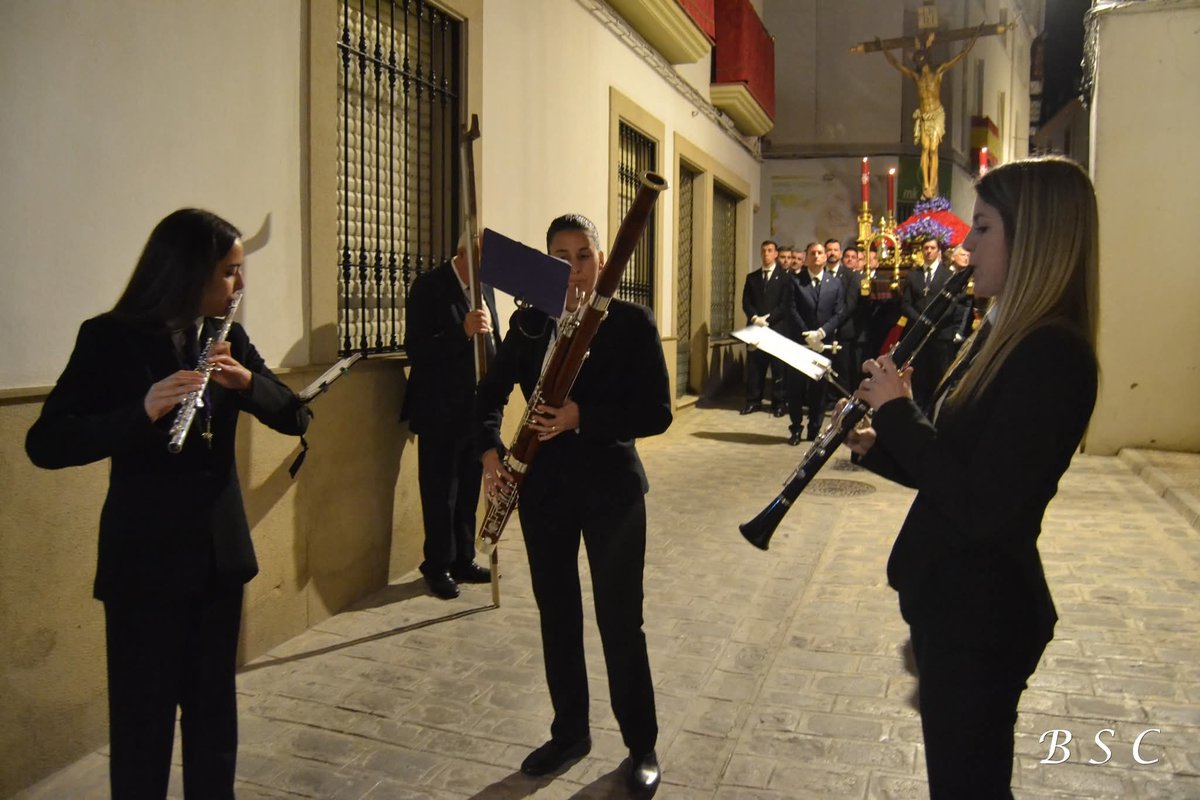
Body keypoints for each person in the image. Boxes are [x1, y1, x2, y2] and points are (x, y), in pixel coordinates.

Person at [25, 209, 312, 798]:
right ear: (189, 274)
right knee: (142, 728)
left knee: (213, 722)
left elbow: (295, 413)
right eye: (231, 273)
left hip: (215, 557)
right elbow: (46, 442)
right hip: (144, 566)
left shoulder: (222, 335)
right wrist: (142, 410)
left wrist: (246, 383)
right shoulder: (108, 338)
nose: (240, 286)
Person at [844, 156, 1099, 798]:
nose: (966, 243)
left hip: (982, 615)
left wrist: (900, 412)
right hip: (954, 606)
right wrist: (882, 442)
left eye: (982, 227)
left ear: (1032, 237)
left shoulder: (1054, 356)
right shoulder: (1005, 337)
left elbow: (984, 506)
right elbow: (958, 466)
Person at [476, 213, 671, 796]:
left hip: (612, 490)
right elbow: (487, 397)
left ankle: (641, 745)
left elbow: (656, 412)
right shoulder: (531, 323)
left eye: (582, 255)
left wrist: (583, 417)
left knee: (619, 620)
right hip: (546, 494)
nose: (572, 268)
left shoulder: (631, 322)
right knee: (556, 614)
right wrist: (489, 452)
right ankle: (570, 733)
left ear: (602, 258)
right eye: (559, 256)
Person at [401, 234, 501, 599]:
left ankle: (462, 558)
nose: (485, 270)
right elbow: (418, 349)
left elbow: (494, 340)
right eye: (481, 261)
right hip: (439, 410)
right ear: (461, 255)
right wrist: (462, 331)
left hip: (474, 409)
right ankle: (438, 565)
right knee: (441, 491)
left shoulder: (485, 289)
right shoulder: (430, 287)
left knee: (469, 490)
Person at [879, 26, 983, 198]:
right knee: (925, 150)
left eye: (920, 59)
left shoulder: (938, 72)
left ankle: (933, 185)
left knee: (933, 150)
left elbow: (960, 56)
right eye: (916, 60)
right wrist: (884, 49)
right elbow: (896, 65)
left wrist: (973, 38)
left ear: (925, 59)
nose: (918, 62)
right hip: (924, 116)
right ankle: (926, 185)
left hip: (935, 114)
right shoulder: (916, 76)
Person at [784, 241, 845, 444]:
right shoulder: (795, 281)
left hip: (822, 344)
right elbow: (791, 309)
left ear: (825, 257)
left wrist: (821, 332)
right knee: (796, 388)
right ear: (807, 258)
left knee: (819, 390)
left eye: (820, 253)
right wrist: (806, 333)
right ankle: (795, 429)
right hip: (799, 344)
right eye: (813, 253)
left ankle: (814, 429)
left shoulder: (834, 283)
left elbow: (839, 312)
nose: (817, 256)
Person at [900, 237, 969, 412]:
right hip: (917, 333)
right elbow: (906, 303)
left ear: (939, 251)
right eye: (925, 248)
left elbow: (952, 304)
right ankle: (917, 410)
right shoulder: (913, 275)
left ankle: (937, 411)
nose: (928, 251)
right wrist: (921, 322)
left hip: (940, 334)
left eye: (932, 248)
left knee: (939, 375)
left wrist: (933, 323)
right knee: (918, 376)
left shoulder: (948, 275)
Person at [740, 240, 790, 415]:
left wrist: (768, 319)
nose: (766, 254)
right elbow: (746, 302)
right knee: (755, 367)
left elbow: (785, 304)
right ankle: (753, 401)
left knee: (778, 368)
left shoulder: (785, 277)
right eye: (763, 251)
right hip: (755, 329)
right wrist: (755, 318)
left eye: (770, 251)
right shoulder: (752, 277)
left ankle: (779, 403)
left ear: (776, 254)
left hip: (776, 328)